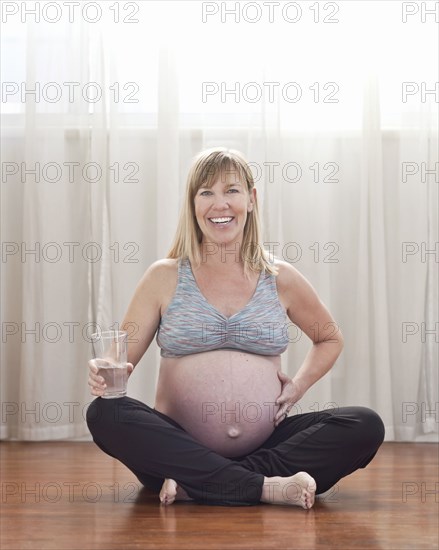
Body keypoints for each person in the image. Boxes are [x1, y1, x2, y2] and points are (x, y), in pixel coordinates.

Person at [87, 147, 385, 509]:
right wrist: (105, 372)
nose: (220, 204)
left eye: (231, 191)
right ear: (192, 204)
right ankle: (263, 486)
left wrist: (299, 384)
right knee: (104, 413)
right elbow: (119, 355)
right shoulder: (163, 276)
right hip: (178, 447)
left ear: (251, 199)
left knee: (365, 424)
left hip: (259, 446)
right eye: (206, 192)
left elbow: (329, 338)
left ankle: (201, 483)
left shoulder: (281, 278)